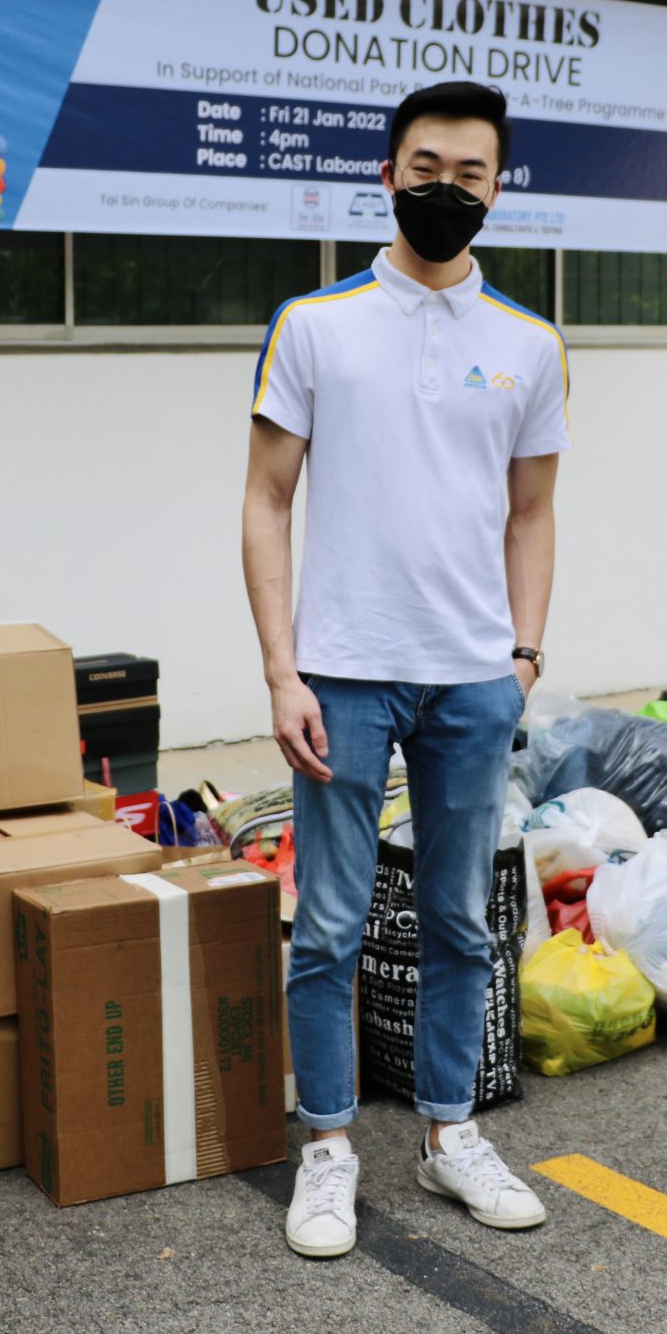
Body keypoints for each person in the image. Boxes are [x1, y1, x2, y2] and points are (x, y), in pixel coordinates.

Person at [241, 80, 566, 1259]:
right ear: (386, 176)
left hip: (472, 680)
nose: (445, 189)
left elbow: (532, 513)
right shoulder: (314, 324)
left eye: (469, 173)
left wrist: (520, 656)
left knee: (460, 921)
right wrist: (281, 671)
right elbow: (265, 500)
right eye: (424, 168)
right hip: (341, 672)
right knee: (329, 923)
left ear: (497, 188)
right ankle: (328, 1147)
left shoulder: (529, 344)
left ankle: (448, 1135)